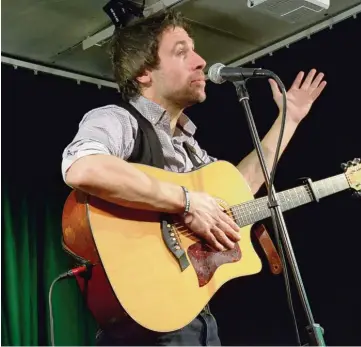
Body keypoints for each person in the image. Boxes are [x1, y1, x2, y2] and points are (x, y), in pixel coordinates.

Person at [61, 9, 327, 346]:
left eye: (195, 50)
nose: (201, 61)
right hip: (145, 327)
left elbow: (238, 190)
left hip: (195, 319)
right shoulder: (117, 120)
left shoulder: (188, 145)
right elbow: (83, 167)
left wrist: (288, 121)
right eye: (182, 52)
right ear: (144, 73)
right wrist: (186, 202)